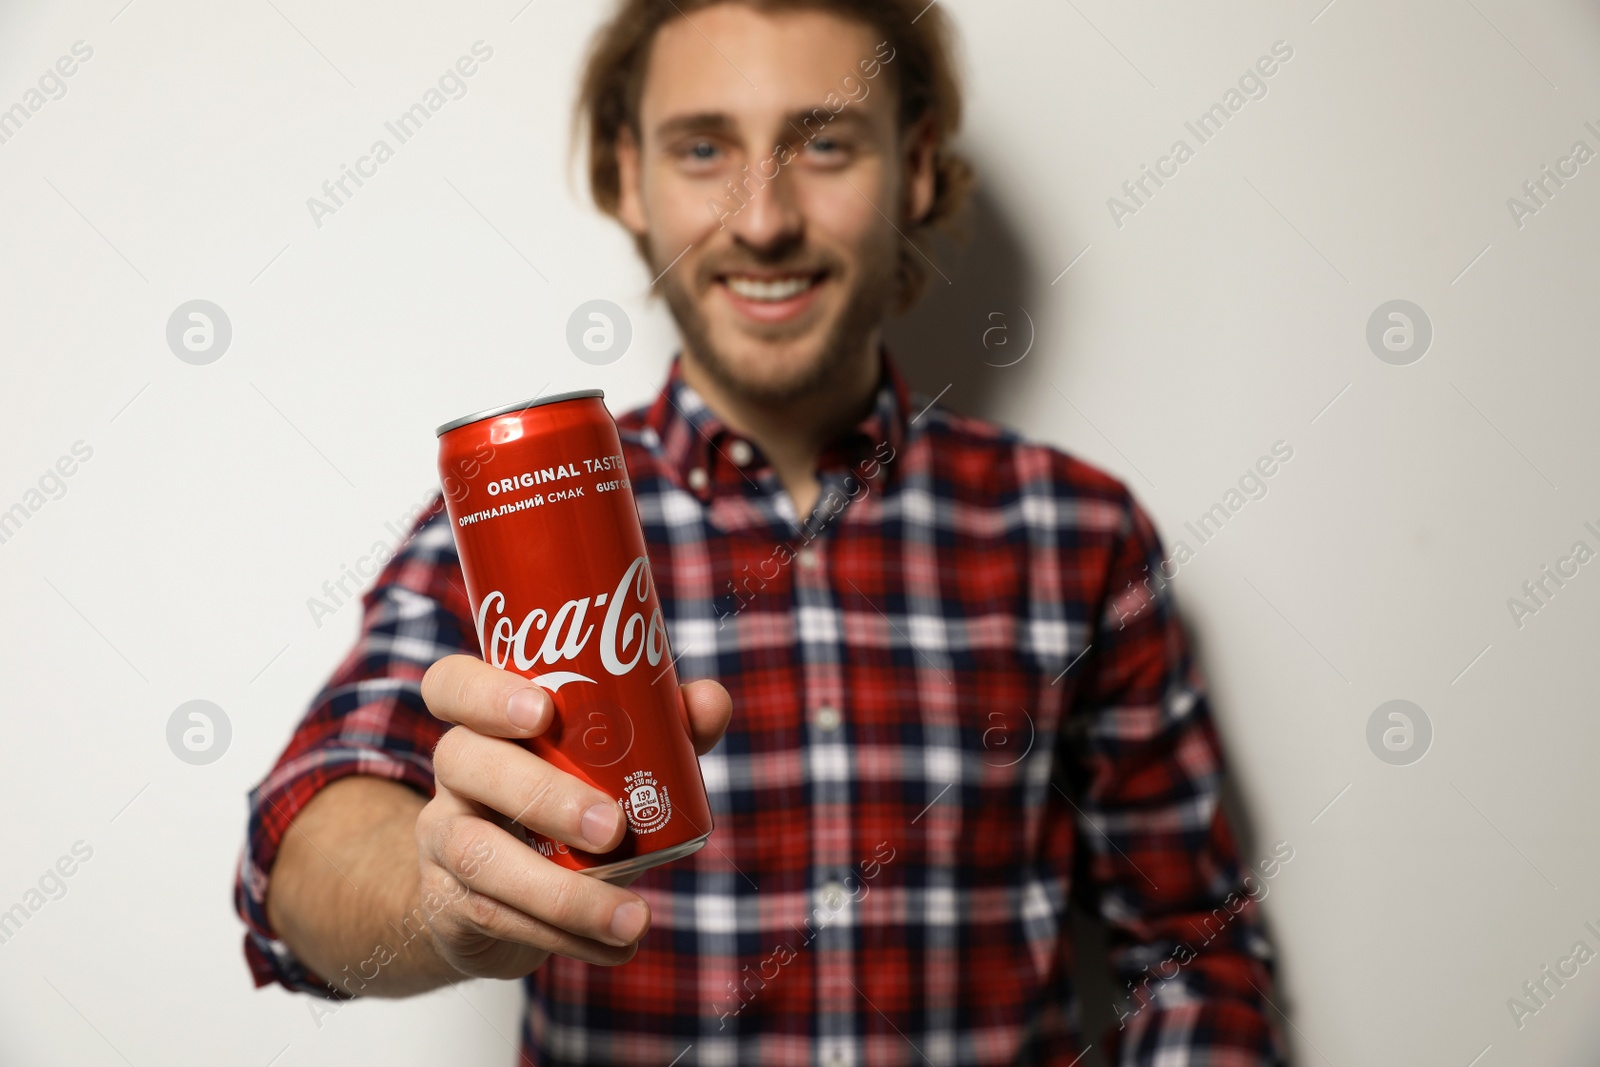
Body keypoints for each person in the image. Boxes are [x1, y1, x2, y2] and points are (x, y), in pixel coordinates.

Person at [235, 1, 1288, 1063]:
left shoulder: (1078, 533)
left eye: (824, 143)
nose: (762, 219)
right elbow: (301, 836)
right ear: (624, 179)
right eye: (703, 148)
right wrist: (437, 896)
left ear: (915, 166)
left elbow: (1193, 945)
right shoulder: (513, 524)